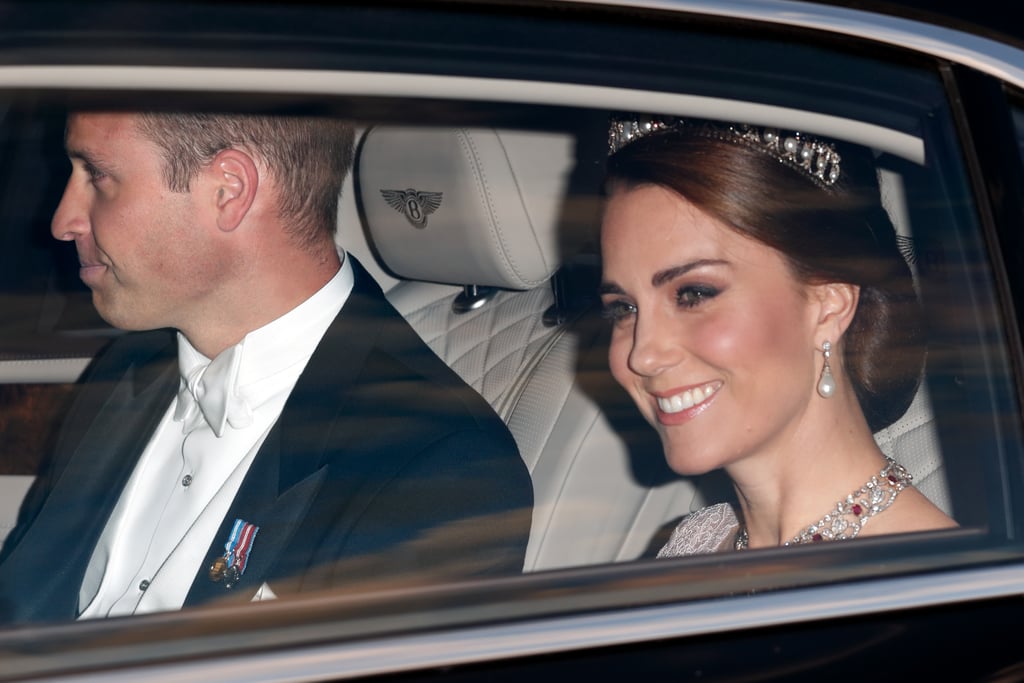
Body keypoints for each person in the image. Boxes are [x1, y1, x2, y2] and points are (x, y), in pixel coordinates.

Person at [0, 111, 533, 622]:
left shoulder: (441, 469)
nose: (62, 221)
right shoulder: (126, 370)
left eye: (97, 175)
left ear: (229, 191)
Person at [599, 116, 956, 555]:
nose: (644, 355)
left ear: (829, 304)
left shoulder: (927, 587)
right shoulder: (696, 542)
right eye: (624, 309)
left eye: (693, 294)